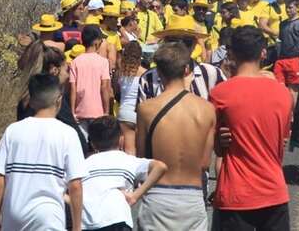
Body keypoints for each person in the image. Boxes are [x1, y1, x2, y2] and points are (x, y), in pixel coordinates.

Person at [209, 27, 293, 231]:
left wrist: (221, 141)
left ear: (232, 54)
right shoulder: (284, 94)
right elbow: (281, 143)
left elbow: (217, 149)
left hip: (235, 194)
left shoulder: (220, 94)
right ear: (263, 53)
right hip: (273, 192)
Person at [0, 74, 87, 231]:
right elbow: (75, 185)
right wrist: (77, 227)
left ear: (32, 101)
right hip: (48, 218)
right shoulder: (67, 134)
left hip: (13, 216)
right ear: (59, 100)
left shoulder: (13, 131)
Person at [136, 43, 216, 231]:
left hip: (157, 195)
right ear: (186, 69)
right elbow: (205, 163)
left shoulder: (146, 109)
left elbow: (142, 158)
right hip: (192, 195)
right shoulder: (207, 110)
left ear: (159, 72)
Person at [81, 117, 168, 231]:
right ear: (121, 139)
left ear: (92, 144)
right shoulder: (128, 160)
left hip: (86, 222)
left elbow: (65, 189)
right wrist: (135, 196)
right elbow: (160, 167)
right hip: (117, 218)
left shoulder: (84, 163)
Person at [18, 44, 89, 155]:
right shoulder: (55, 102)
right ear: (55, 70)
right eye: (66, 70)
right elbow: (81, 145)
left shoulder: (25, 99)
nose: (68, 75)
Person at [137, 15, 225, 103]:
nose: (180, 47)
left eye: (187, 41)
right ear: (165, 43)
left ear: (194, 44)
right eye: (173, 41)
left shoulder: (212, 74)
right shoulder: (148, 79)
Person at [69, 25, 112, 136]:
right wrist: (106, 111)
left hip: (80, 112)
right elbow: (104, 87)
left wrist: (72, 111)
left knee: (82, 143)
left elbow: (73, 88)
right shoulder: (103, 62)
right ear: (96, 43)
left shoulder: (75, 62)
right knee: (97, 142)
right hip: (98, 112)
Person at [275, 0, 299, 104]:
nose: (288, 10)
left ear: (297, 7)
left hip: (295, 59)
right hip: (281, 59)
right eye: (286, 7)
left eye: (290, 7)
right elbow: (280, 41)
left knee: (293, 90)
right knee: (280, 89)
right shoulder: (282, 24)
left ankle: (291, 113)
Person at [116, 41, 146, 154]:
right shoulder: (145, 73)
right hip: (140, 113)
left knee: (127, 149)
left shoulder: (121, 73)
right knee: (140, 150)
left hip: (124, 112)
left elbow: (117, 92)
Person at [100, 5, 123, 71]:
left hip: (110, 70)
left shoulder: (115, 35)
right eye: (115, 19)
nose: (117, 22)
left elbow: (119, 55)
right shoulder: (96, 31)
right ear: (107, 18)